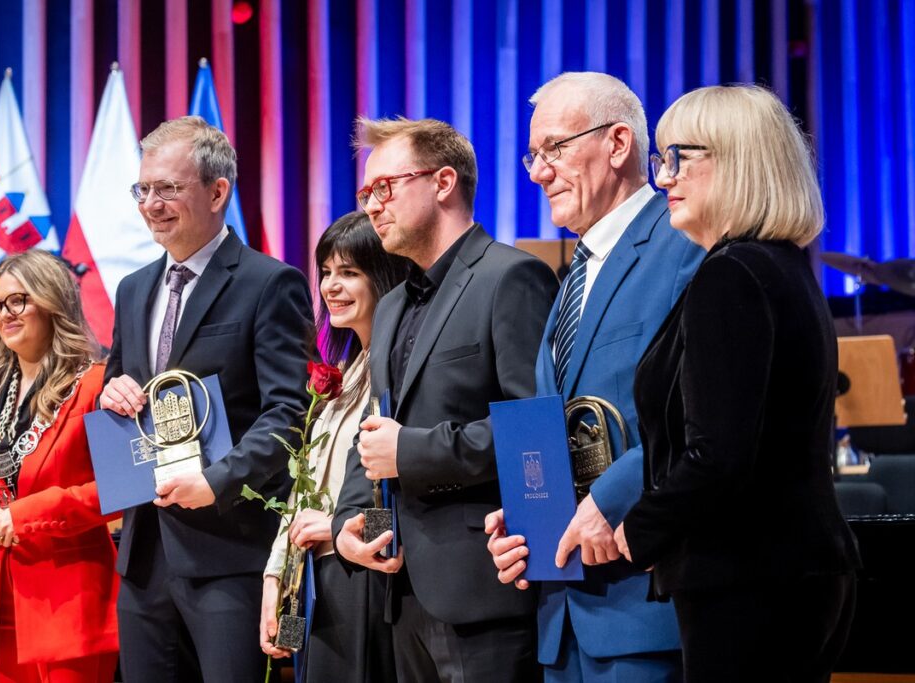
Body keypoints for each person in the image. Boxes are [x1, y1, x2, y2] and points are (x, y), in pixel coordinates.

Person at [613, 84, 861, 682]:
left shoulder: (731, 275)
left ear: (739, 159)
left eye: (678, 158)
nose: (661, 179)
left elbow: (719, 455)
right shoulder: (780, 265)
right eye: (659, 160)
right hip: (792, 571)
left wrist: (637, 530)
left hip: (749, 577)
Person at [485, 72, 704, 682]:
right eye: (533, 154)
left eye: (554, 148)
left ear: (616, 143)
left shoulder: (684, 242)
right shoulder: (571, 275)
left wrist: (607, 502)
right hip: (563, 608)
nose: (537, 171)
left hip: (642, 600)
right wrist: (525, 514)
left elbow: (695, 413)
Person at [331, 116, 558, 681]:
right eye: (366, 193)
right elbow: (375, 429)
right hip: (400, 589)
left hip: (486, 587)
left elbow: (536, 433)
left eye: (384, 187)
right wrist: (347, 521)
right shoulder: (389, 307)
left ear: (443, 182)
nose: (371, 206)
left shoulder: (512, 277)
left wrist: (412, 453)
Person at [99, 116, 313, 683]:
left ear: (218, 191)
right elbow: (124, 384)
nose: (151, 204)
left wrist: (215, 481)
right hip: (145, 552)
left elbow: (290, 416)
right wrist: (110, 390)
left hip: (230, 552)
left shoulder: (269, 283)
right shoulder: (133, 288)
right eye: (143, 189)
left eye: (168, 188)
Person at [259, 211, 406, 681]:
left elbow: (390, 486)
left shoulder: (397, 370)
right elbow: (304, 491)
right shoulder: (343, 378)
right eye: (325, 272)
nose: (330, 286)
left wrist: (339, 524)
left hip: (364, 578)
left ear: (384, 276)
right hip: (318, 578)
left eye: (349, 272)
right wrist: (274, 577)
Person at [0, 249, 118, 682]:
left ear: (51, 302)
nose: (3, 314)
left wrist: (26, 515)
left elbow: (120, 490)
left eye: (18, 301)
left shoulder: (97, 384)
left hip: (70, 604)